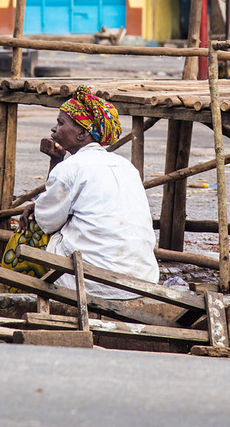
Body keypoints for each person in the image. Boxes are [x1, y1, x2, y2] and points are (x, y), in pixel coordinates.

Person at [12, 86, 159, 299]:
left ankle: (18, 298)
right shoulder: (125, 165)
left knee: (30, 230)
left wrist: (54, 162)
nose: (54, 129)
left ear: (82, 133)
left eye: (61, 123)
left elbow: (47, 221)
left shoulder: (71, 167)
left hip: (93, 283)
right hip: (142, 278)